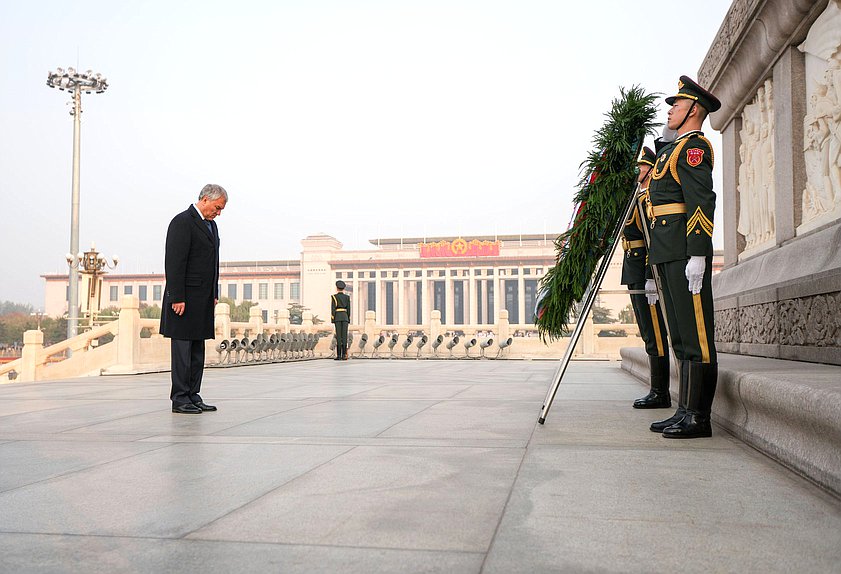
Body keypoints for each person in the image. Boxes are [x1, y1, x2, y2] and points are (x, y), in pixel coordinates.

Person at [646, 76, 721, 438]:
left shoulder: (695, 149)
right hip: (666, 252)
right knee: (679, 334)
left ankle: (699, 417)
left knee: (697, 335)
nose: (671, 109)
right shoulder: (673, 150)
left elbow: (701, 201)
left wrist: (699, 255)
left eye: (677, 105)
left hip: (683, 252)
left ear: (694, 110)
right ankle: (684, 409)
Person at [160, 184, 227, 414]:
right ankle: (180, 398)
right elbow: (174, 262)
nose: (218, 213)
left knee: (197, 350)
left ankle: (193, 394)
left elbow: (213, 262)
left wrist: (214, 293)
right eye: (217, 207)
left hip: (203, 298)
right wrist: (176, 296)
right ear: (206, 199)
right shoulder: (182, 221)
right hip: (184, 299)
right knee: (182, 350)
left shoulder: (212, 226)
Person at [622, 146, 671, 409]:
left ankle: (660, 391)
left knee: (655, 332)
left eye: (640, 167)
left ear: (650, 170)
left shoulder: (649, 199)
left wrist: (651, 275)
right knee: (646, 331)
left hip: (644, 270)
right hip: (632, 269)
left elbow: (653, 242)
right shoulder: (636, 199)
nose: (636, 171)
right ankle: (657, 389)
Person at [331, 280, 351, 360]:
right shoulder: (347, 297)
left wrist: (333, 318)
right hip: (345, 317)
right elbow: (349, 309)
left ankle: (339, 355)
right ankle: (344, 355)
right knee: (344, 336)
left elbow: (333, 309)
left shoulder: (334, 297)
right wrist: (348, 318)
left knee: (339, 337)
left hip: (338, 317)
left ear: (337, 288)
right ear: (343, 288)